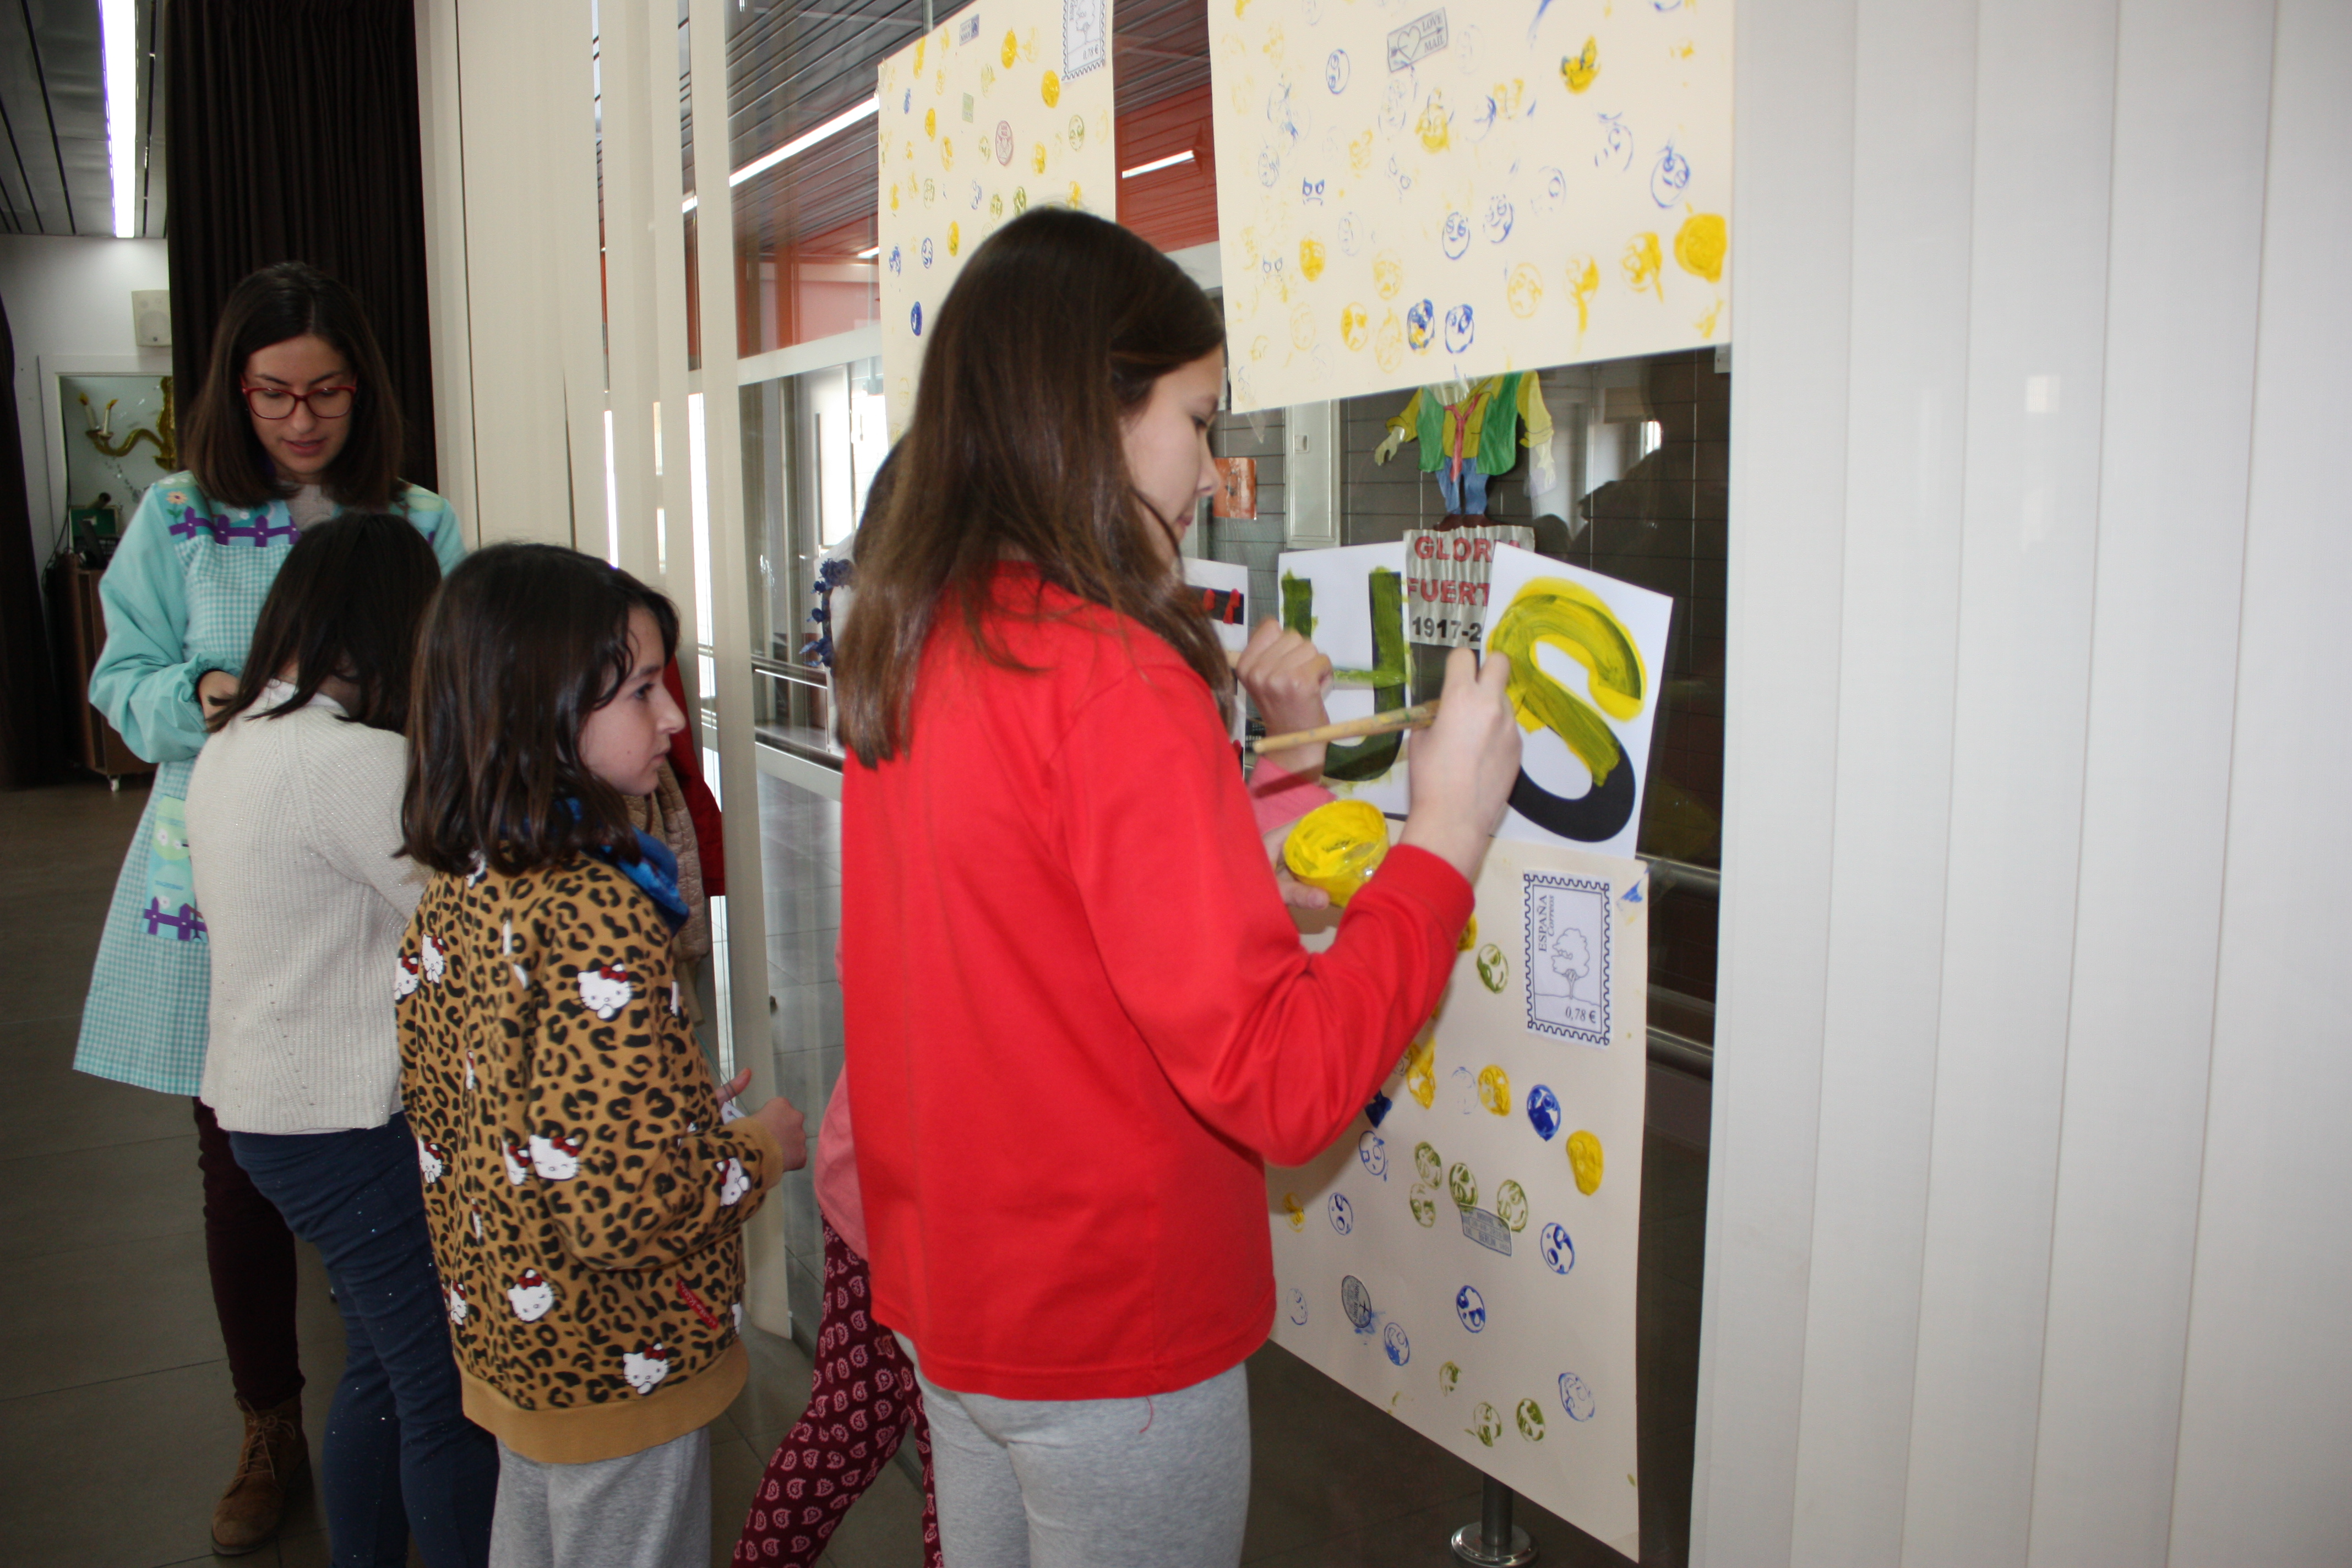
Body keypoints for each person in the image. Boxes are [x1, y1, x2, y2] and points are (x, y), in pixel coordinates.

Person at [829, 205, 1523, 1567]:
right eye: (1197, 422)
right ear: (1091, 414)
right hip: (1110, 1333)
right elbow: (1286, 1079)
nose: (1211, 470)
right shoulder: (1111, 673)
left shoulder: (917, 641)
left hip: (958, 1300)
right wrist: (1444, 840)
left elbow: (1027, 943)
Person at [74, 260, 467, 1556]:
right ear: (233, 393)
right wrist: (203, 699)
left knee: (391, 1139)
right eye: (274, 395)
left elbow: (455, 668)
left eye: (329, 392)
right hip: (223, 869)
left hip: (377, 865)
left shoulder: (417, 518)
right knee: (239, 1159)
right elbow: (120, 679)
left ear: (367, 389)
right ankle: (268, 1422)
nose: (303, 420)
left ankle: (385, 1371)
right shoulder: (180, 515)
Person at [396, 544, 808, 1568]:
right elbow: (628, 1205)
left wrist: (673, 1108)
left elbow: (481, 1106)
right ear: (537, 711)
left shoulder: (468, 879)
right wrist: (760, 1147)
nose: (672, 718)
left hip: (515, 1337)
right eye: (640, 692)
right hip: (620, 1350)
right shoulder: (596, 908)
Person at [184, 514, 497, 1568]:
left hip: (269, 1114)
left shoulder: (237, 741)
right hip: (344, 1124)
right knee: (444, 1392)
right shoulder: (351, 761)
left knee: (381, 1366)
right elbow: (474, 913)